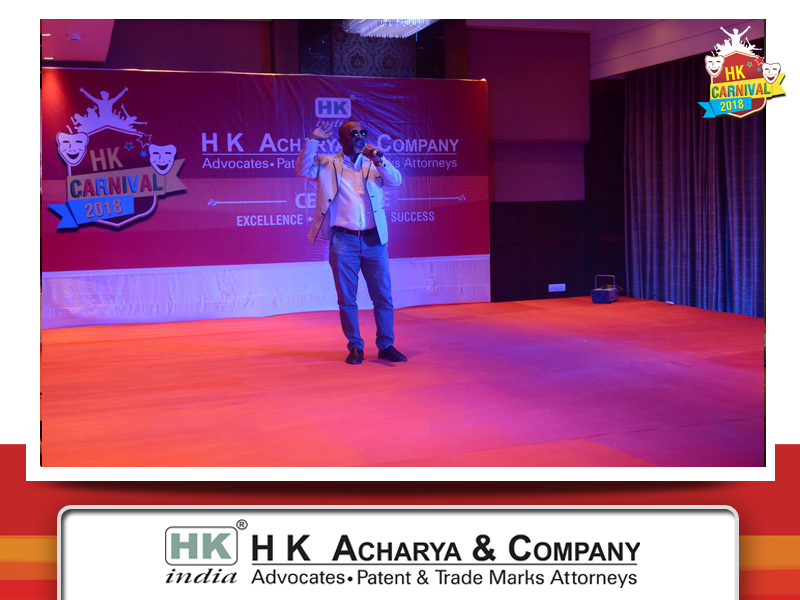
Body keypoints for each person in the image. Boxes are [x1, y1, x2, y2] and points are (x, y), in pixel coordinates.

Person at [296, 119, 407, 364]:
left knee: (383, 296)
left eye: (362, 133)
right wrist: (313, 141)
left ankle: (386, 345)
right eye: (353, 134)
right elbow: (303, 170)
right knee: (347, 298)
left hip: (374, 240)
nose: (359, 137)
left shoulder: (374, 163)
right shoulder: (328, 164)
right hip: (343, 240)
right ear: (342, 140)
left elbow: (396, 181)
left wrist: (379, 158)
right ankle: (355, 346)